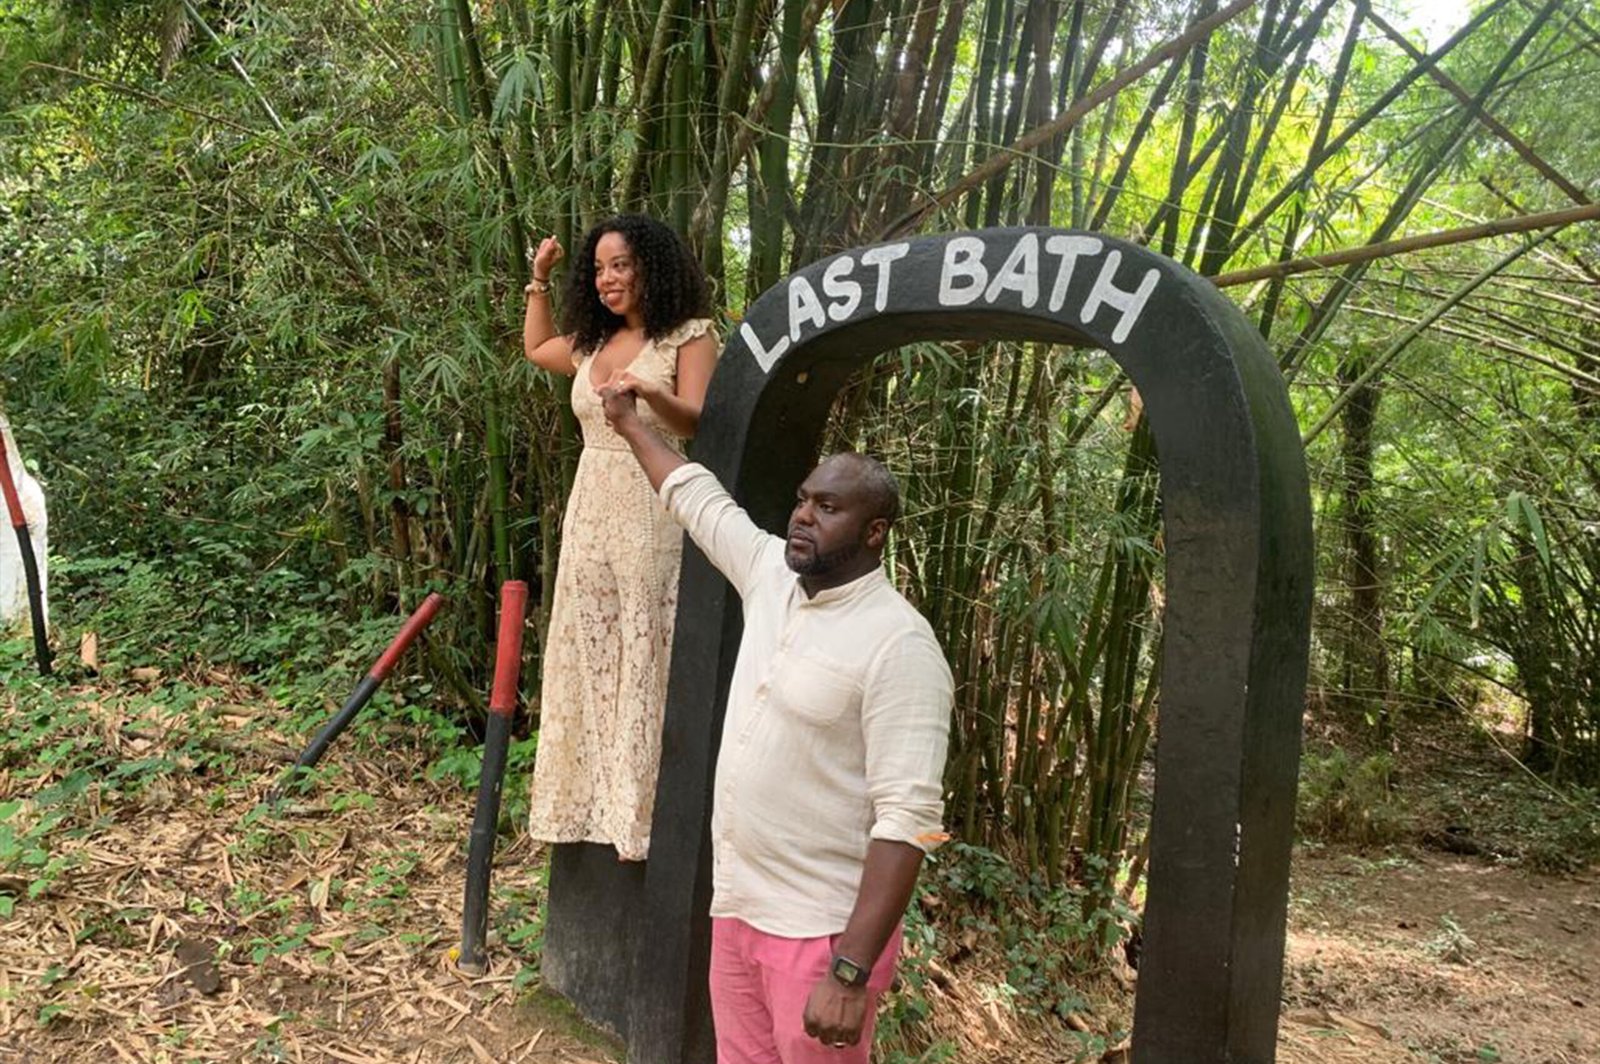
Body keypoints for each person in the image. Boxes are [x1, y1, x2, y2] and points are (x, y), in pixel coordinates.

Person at [597, 382, 954, 1062]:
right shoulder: (770, 578)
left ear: (875, 532)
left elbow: (910, 823)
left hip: (820, 937)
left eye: (828, 507)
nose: (803, 516)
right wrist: (628, 424)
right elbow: (698, 500)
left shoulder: (899, 645)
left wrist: (849, 972)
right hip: (737, 910)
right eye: (801, 499)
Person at [521, 214, 718, 862]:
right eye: (599, 267)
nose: (607, 279)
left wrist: (647, 394)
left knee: (644, 649)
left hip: (651, 504)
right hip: (590, 509)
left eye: (621, 265)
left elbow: (694, 421)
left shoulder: (688, 335)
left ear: (651, 268)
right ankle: (587, 806)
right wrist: (538, 281)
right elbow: (536, 349)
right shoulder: (592, 342)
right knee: (589, 648)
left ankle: (641, 819)